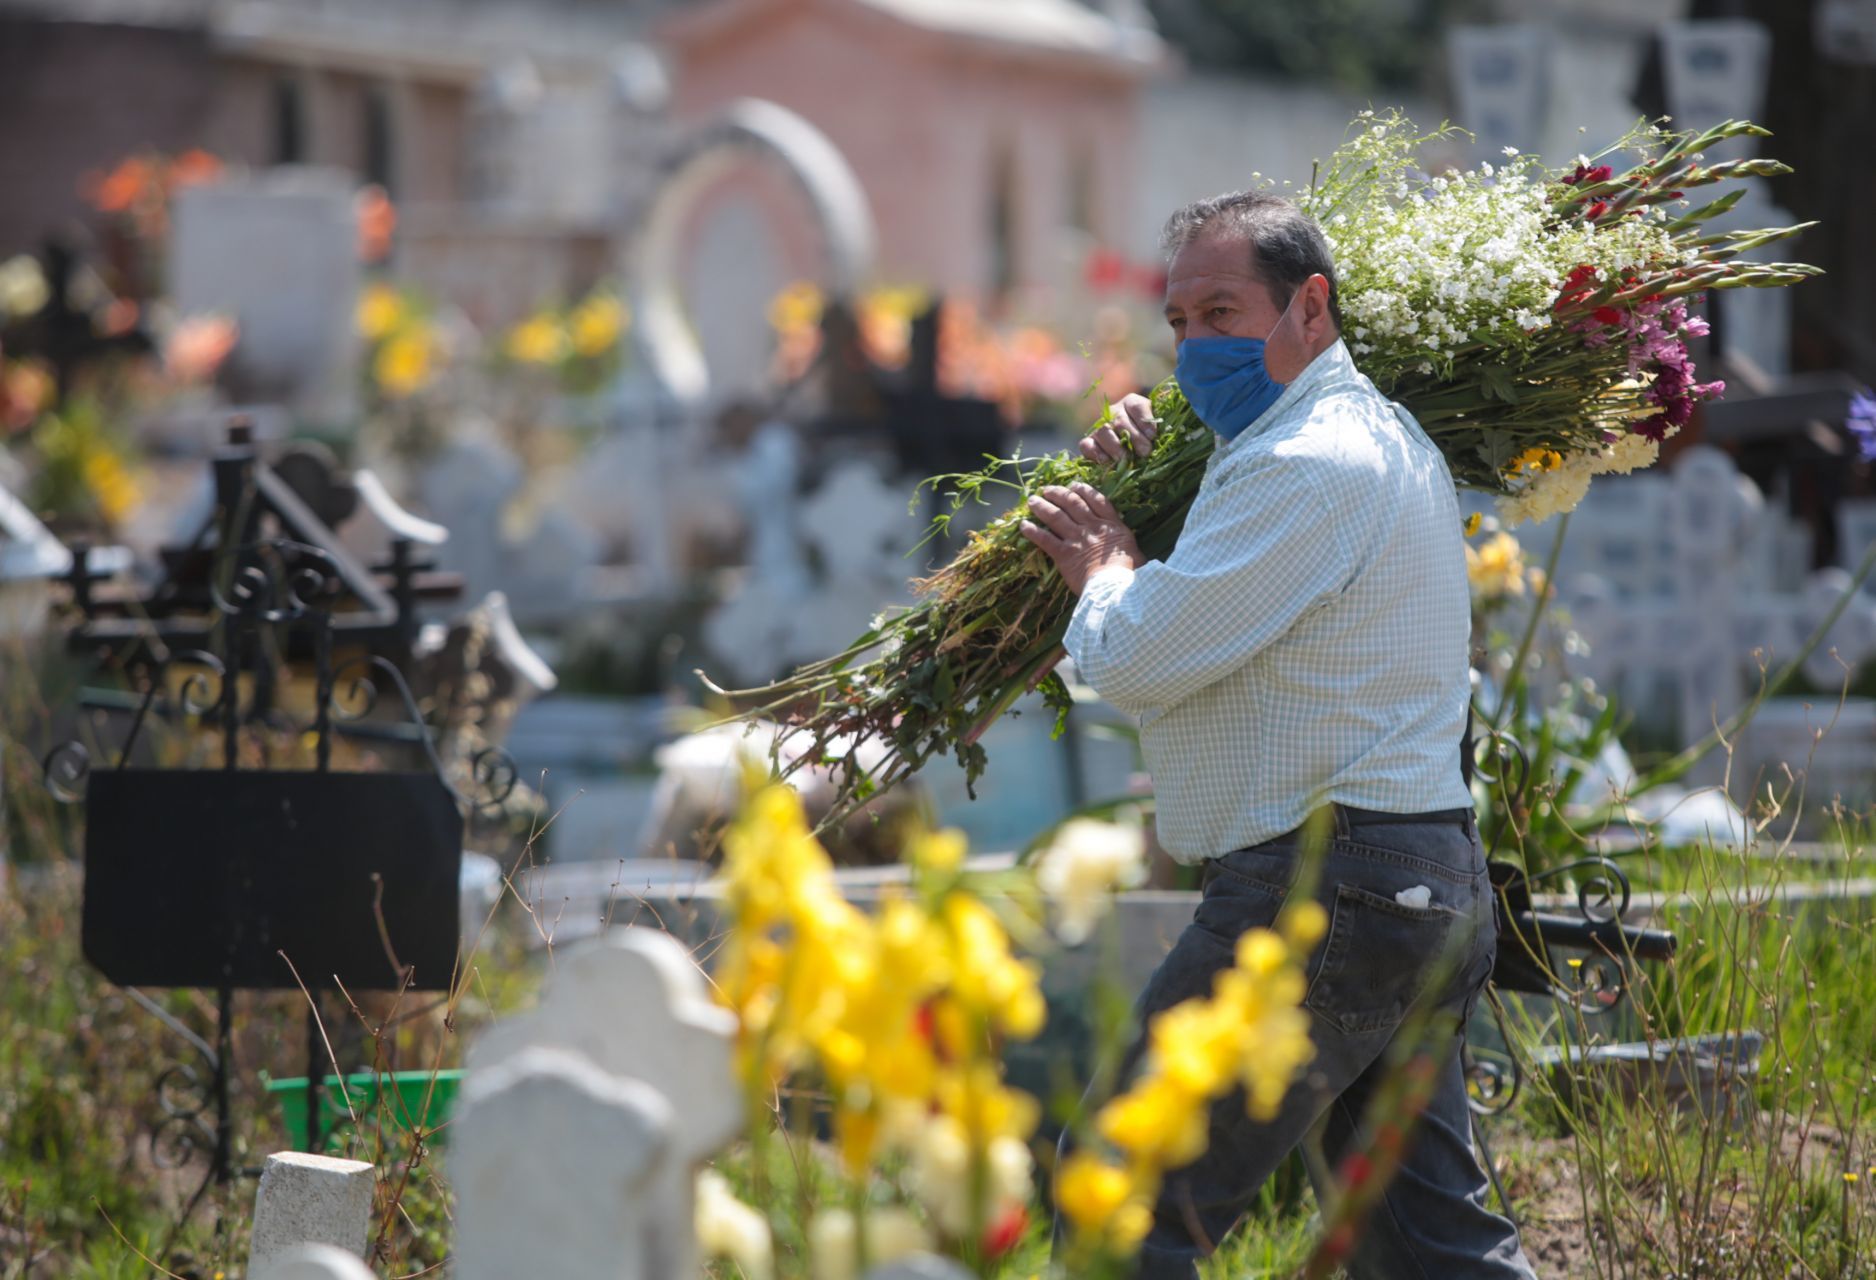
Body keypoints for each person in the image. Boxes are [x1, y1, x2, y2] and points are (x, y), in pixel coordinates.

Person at [1021, 191, 1536, 1279]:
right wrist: (1152, 500)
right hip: (1411, 881)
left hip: (1322, 887)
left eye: (1222, 311)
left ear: (1311, 305)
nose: (1198, 344)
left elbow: (1140, 653)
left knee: (1124, 1194)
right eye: (1179, 322)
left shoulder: (1304, 462)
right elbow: (1239, 617)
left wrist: (1107, 569)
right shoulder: (1366, 436)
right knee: (1432, 1244)